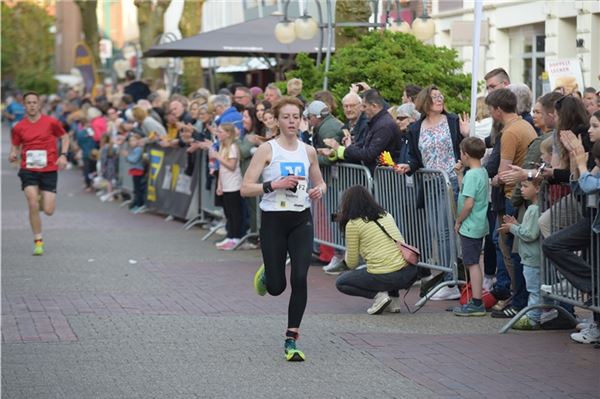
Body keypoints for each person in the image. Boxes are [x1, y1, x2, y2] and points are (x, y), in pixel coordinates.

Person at [241, 96, 326, 362]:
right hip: (274, 221)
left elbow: (321, 183)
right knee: (277, 287)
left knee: (299, 278)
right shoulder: (268, 150)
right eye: (286, 117)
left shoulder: (308, 150)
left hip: (301, 220)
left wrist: (318, 190)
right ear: (277, 121)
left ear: (301, 120)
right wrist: (273, 185)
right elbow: (245, 188)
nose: (291, 121)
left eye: (295, 117)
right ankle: (269, 272)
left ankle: (291, 338)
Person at [545, 129, 600, 345]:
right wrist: (579, 164)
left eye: (595, 125)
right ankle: (593, 288)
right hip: (592, 222)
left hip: (594, 224)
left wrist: (581, 162)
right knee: (553, 245)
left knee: (555, 245)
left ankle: (594, 291)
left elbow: (590, 185)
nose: (589, 130)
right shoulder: (593, 155)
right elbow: (580, 189)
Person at [486, 88, 537, 318]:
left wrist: (491, 178)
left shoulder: (510, 132)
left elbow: (503, 173)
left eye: (490, 109)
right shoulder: (525, 125)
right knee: (516, 250)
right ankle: (521, 298)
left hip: (510, 196)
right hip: (520, 193)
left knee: (510, 252)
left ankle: (518, 300)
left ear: (497, 110)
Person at [334, 185, 418, 315]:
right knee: (388, 261)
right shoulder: (386, 215)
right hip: (409, 271)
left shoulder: (353, 223)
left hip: (385, 276)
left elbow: (351, 263)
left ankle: (379, 297)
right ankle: (394, 301)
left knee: (342, 282)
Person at [9, 91, 69, 255]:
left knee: (48, 211)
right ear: (24, 105)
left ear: (39, 104)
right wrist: (13, 153)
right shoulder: (19, 127)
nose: (32, 105)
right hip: (28, 169)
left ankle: (42, 196)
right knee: (32, 202)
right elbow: (15, 145)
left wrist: (63, 155)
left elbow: (65, 137)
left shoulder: (51, 122)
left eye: (34, 102)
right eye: (29, 102)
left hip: (49, 169)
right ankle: (38, 241)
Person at [498, 178, 542, 329]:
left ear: (537, 189)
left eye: (525, 186)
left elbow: (530, 234)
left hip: (532, 258)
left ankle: (533, 317)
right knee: (535, 288)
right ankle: (536, 315)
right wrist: (516, 225)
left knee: (534, 289)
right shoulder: (533, 208)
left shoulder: (534, 209)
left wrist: (513, 228)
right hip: (530, 257)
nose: (521, 189)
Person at [452, 137, 489, 316]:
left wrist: (458, 220)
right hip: (479, 223)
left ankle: (476, 302)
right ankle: (476, 299)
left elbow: (468, 203)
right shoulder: (480, 172)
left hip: (471, 224)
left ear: (465, 154)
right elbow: (466, 191)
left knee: (472, 263)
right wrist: (460, 175)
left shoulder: (473, 175)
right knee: (472, 261)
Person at [211, 123, 244, 250]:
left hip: (234, 185)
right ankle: (230, 236)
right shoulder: (222, 146)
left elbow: (231, 166)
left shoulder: (233, 147)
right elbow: (222, 169)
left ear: (228, 133)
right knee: (228, 212)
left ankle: (236, 236)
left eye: (220, 132)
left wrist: (218, 157)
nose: (218, 134)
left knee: (235, 212)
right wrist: (219, 185)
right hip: (225, 185)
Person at [122, 131, 147, 213]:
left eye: (133, 140)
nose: (131, 142)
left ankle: (139, 204)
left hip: (138, 170)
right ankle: (136, 203)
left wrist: (127, 156)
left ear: (138, 141)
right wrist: (127, 157)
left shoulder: (138, 150)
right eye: (130, 141)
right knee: (136, 188)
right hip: (134, 170)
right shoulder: (136, 149)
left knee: (138, 188)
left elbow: (134, 160)